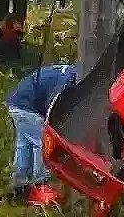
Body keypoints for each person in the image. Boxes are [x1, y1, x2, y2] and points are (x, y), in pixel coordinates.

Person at [6, 63, 77, 205]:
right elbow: (53, 108)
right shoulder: (67, 81)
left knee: (24, 145)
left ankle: (19, 186)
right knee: (42, 143)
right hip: (27, 107)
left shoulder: (68, 72)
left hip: (15, 102)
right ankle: (41, 186)